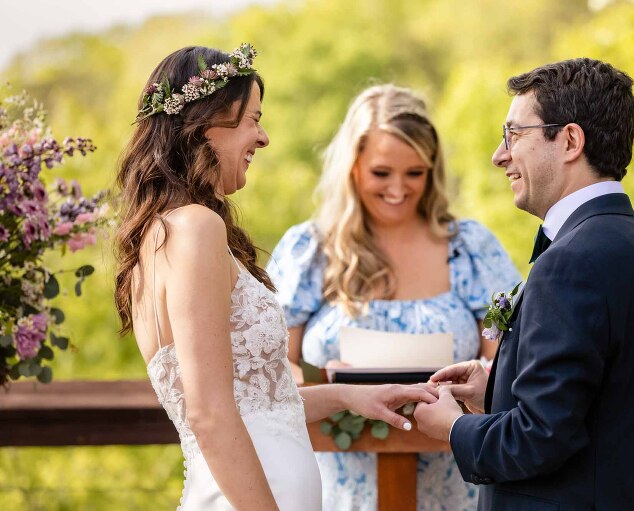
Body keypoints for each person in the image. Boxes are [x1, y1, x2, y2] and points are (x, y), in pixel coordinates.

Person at [113, 45, 436, 511]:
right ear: (207, 122)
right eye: (252, 119)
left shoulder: (165, 232)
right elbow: (208, 414)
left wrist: (352, 395)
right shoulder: (196, 228)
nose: (263, 138)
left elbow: (260, 409)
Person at [413, 58, 634, 510]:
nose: (500, 155)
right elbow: (600, 407)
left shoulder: (573, 261)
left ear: (570, 140)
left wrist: (452, 427)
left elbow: (540, 438)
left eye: (514, 135)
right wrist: (498, 386)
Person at [267, 84, 522, 510]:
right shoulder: (309, 250)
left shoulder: (471, 248)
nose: (399, 189)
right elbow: (273, 364)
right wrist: (321, 382)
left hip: (452, 481)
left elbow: (506, 359)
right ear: (353, 168)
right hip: (338, 480)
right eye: (382, 173)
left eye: (415, 173)